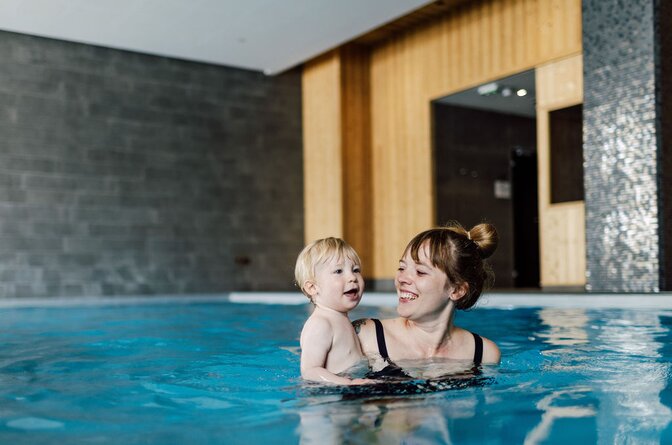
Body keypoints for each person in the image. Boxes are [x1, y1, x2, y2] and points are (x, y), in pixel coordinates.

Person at [354, 222, 501, 378]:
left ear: (457, 290)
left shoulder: (484, 354)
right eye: (402, 268)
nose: (402, 278)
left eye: (420, 272)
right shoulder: (365, 336)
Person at [295, 237, 372, 385]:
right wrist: (348, 383)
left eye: (355, 270)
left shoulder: (339, 318)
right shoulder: (320, 324)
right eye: (338, 271)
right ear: (312, 287)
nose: (352, 277)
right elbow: (310, 371)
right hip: (333, 395)